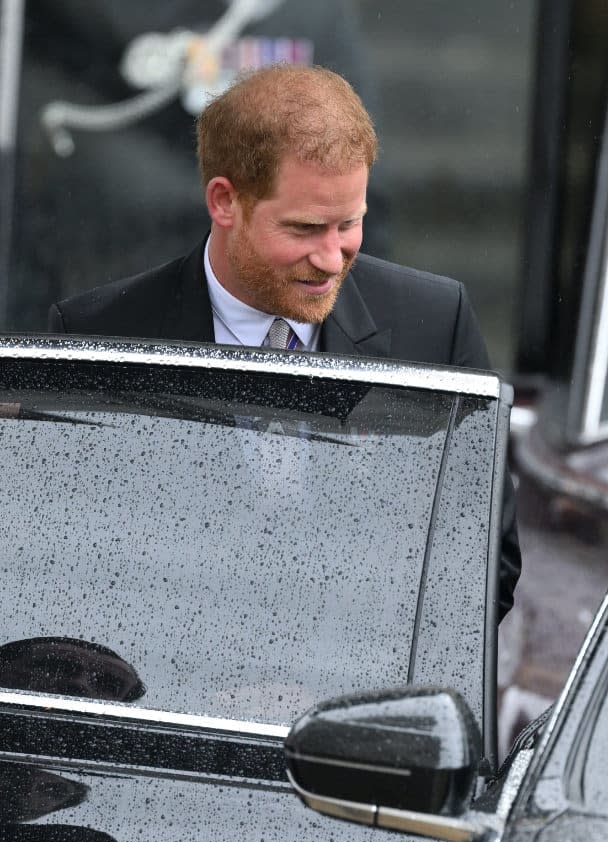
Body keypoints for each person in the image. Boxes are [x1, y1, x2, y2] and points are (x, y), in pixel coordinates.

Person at [48, 63, 520, 622]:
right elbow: (69, 570)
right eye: (303, 228)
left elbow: (486, 567)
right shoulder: (97, 340)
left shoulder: (435, 324)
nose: (330, 258)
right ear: (224, 201)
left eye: (349, 224)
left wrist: (334, 680)